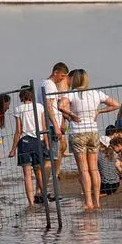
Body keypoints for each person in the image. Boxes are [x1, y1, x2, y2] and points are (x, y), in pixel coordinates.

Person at [63, 68, 118, 211]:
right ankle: (97, 201)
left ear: (75, 80)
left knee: (84, 169)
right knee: (94, 169)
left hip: (78, 132)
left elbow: (60, 106)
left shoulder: (72, 94)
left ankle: (88, 202)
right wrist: (99, 111)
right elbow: (116, 104)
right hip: (93, 132)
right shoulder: (96, 93)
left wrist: (72, 115)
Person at [8, 86, 49, 208]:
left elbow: (18, 131)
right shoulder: (39, 107)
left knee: (27, 174)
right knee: (38, 171)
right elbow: (43, 127)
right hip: (38, 141)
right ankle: (44, 195)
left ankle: (31, 203)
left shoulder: (18, 109)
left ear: (21, 95)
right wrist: (46, 144)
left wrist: (13, 149)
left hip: (24, 142)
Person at [39, 63, 70, 192]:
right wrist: (56, 126)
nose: (62, 79)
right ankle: (43, 191)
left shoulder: (43, 83)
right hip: (51, 126)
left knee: (48, 159)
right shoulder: (50, 85)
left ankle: (41, 191)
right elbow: (49, 106)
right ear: (55, 72)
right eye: (62, 76)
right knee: (48, 160)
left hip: (49, 124)